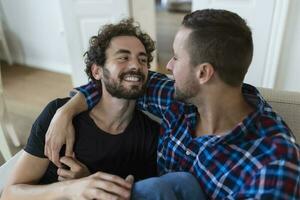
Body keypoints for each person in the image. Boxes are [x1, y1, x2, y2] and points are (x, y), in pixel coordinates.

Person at [44, 9, 300, 199]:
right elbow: (118, 80)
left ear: (203, 73)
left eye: (176, 57)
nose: (168, 66)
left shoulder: (273, 165)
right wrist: (67, 109)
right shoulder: (179, 99)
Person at [1, 19, 190, 200]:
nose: (136, 65)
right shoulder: (59, 114)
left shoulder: (150, 136)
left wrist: (88, 180)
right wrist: (71, 189)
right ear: (97, 71)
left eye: (142, 60)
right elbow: (9, 195)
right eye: (123, 57)